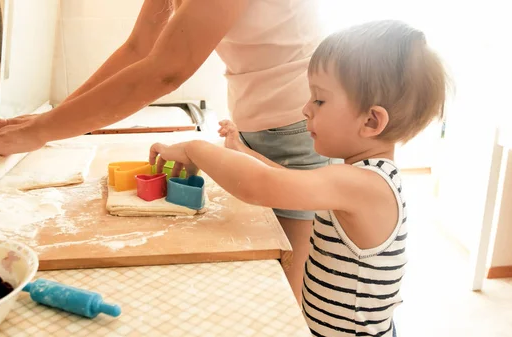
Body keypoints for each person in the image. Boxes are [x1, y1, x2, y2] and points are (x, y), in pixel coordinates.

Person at [0, 0, 326, 304]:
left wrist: (40, 130)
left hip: (300, 132)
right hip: (260, 124)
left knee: (288, 292)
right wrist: (50, 121)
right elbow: (140, 48)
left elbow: (166, 70)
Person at [149, 20, 448, 336]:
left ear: (371, 121)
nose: (306, 109)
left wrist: (195, 149)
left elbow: (261, 186)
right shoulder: (361, 177)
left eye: (319, 99)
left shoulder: (363, 184)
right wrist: (240, 151)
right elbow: (284, 179)